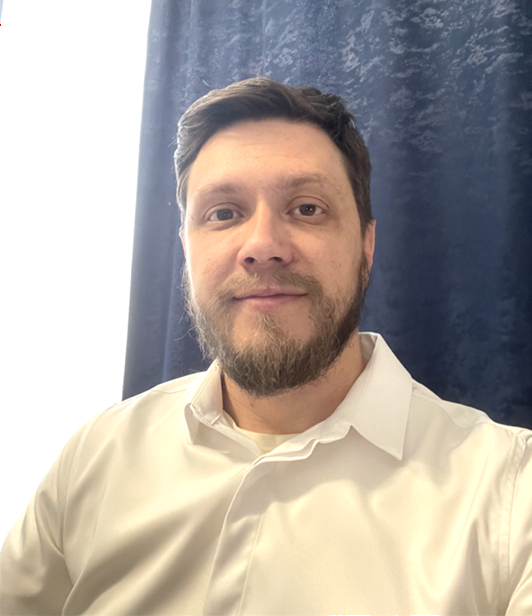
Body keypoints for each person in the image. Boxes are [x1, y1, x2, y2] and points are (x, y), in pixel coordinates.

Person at [1, 76, 530, 616]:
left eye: (307, 209)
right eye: (223, 213)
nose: (261, 246)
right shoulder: (96, 454)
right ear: (186, 248)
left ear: (366, 245)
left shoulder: (511, 495)